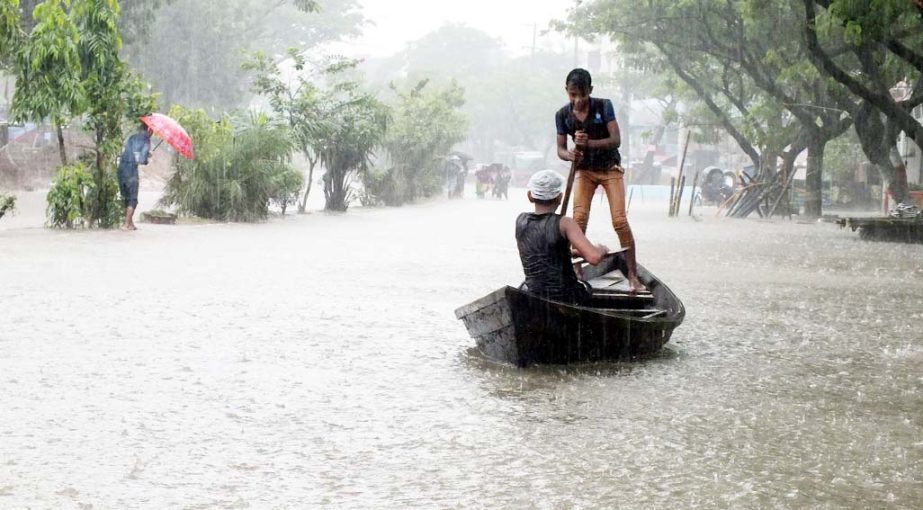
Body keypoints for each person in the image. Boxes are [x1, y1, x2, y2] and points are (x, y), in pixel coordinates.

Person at [555, 68, 644, 292]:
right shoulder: (562, 115)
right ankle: (575, 269)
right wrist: (571, 154)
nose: (578, 100)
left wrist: (589, 144)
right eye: (573, 95)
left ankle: (633, 275)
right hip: (584, 171)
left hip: (609, 169)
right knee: (579, 218)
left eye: (582, 95)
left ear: (590, 91)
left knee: (619, 221)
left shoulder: (604, 106)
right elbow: (561, 149)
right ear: (567, 91)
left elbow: (616, 140)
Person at [516, 170, 609, 304]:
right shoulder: (565, 223)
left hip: (534, 292)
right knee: (586, 288)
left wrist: (572, 253)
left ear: (530, 196)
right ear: (559, 198)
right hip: (564, 296)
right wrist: (602, 250)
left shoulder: (521, 221)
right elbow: (594, 258)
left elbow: (543, 251)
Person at [117, 122, 153, 231]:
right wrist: (148, 156)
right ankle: (126, 224)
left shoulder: (132, 137)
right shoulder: (146, 141)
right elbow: (141, 160)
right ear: (149, 130)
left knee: (126, 197)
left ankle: (130, 223)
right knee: (133, 199)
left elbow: (129, 152)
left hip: (121, 169)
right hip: (131, 171)